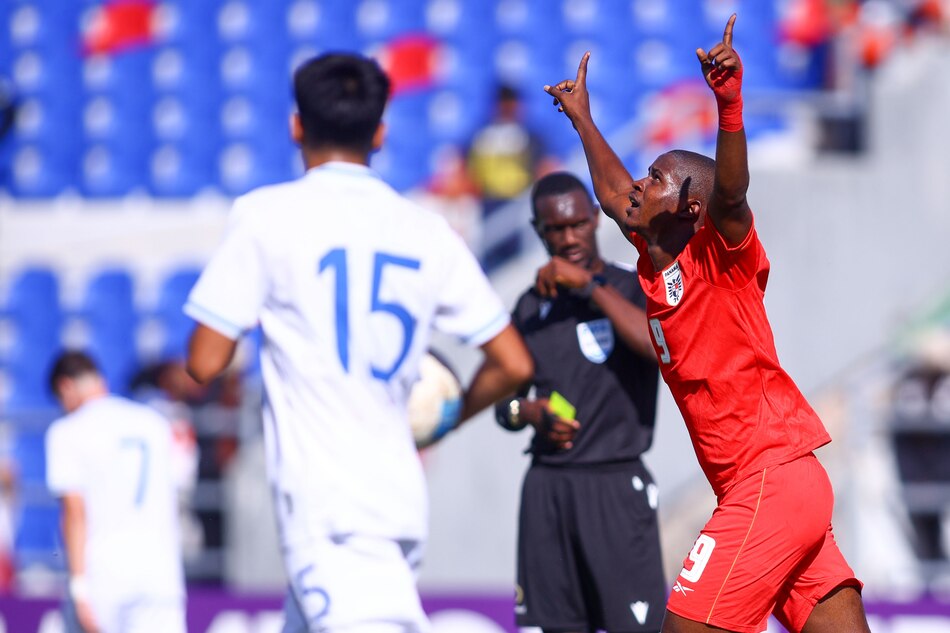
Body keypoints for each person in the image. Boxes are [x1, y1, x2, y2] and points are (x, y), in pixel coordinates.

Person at [183, 52, 533, 633]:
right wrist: (443, 418)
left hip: (329, 506)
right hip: (397, 495)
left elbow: (204, 361)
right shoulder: (426, 231)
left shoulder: (267, 216)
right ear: (381, 132)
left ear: (297, 125)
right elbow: (514, 362)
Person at [545, 15, 872, 633]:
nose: (640, 185)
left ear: (689, 207)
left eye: (657, 179)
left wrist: (728, 102)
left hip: (767, 480)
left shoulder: (720, 255)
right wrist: (582, 117)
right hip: (779, 487)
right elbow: (616, 196)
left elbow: (730, 194)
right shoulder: (654, 259)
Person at [494, 171, 666, 633]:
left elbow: (658, 348)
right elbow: (503, 407)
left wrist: (588, 287)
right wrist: (529, 413)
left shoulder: (632, 288)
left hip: (614, 484)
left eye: (577, 224)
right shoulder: (530, 308)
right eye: (555, 229)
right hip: (547, 491)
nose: (568, 238)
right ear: (538, 231)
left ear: (595, 218)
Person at [45, 351, 186, 633]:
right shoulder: (154, 422)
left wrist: (79, 587)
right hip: (161, 572)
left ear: (66, 387)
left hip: (105, 576)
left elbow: (74, 513)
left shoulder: (68, 430)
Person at [467, 84, 557, 270]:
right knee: (493, 264)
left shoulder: (529, 136)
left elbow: (544, 167)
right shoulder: (481, 136)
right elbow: (467, 170)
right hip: (489, 205)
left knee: (517, 264)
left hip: (519, 205)